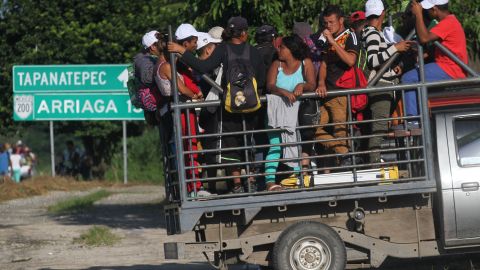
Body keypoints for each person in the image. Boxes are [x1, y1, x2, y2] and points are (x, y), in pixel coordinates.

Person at [168, 16, 266, 193]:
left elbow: (203, 67)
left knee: (231, 146)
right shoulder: (253, 51)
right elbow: (261, 78)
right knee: (248, 140)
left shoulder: (223, 49)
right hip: (251, 105)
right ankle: (251, 180)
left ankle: (237, 185)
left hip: (229, 106)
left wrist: (181, 51)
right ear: (244, 33)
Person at [402, 0, 467, 125]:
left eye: (428, 10)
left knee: (408, 78)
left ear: (435, 9)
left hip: (450, 69)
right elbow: (437, 46)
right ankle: (418, 118)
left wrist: (418, 15)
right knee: (415, 77)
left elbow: (424, 38)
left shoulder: (448, 22)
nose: (427, 12)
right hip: (448, 67)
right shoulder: (450, 21)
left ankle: (413, 121)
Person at [362, 0, 412, 163]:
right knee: (379, 129)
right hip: (380, 87)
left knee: (378, 128)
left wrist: (393, 69)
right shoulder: (372, 33)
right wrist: (395, 48)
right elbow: (373, 60)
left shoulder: (370, 32)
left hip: (382, 84)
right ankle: (374, 167)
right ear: (383, 13)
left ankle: (373, 164)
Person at [265, 35, 316, 191]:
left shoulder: (305, 63)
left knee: (296, 143)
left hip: (297, 113)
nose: (279, 50)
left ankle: (297, 177)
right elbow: (270, 86)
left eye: (282, 48)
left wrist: (302, 85)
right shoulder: (277, 64)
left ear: (292, 50)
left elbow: (312, 84)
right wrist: (283, 92)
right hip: (276, 113)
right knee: (275, 146)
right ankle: (269, 182)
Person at [315, 5, 360, 167]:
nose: (328, 26)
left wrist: (333, 42)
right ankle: (344, 153)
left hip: (341, 92)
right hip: (325, 93)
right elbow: (324, 64)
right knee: (313, 129)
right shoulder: (328, 38)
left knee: (341, 131)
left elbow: (350, 61)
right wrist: (320, 83)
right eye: (325, 23)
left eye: (331, 22)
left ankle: (346, 159)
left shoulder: (350, 35)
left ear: (341, 20)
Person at [135, 30, 163, 123]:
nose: (164, 45)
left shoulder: (148, 59)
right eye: (161, 43)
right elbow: (147, 78)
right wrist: (163, 67)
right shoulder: (144, 60)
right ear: (153, 46)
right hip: (157, 105)